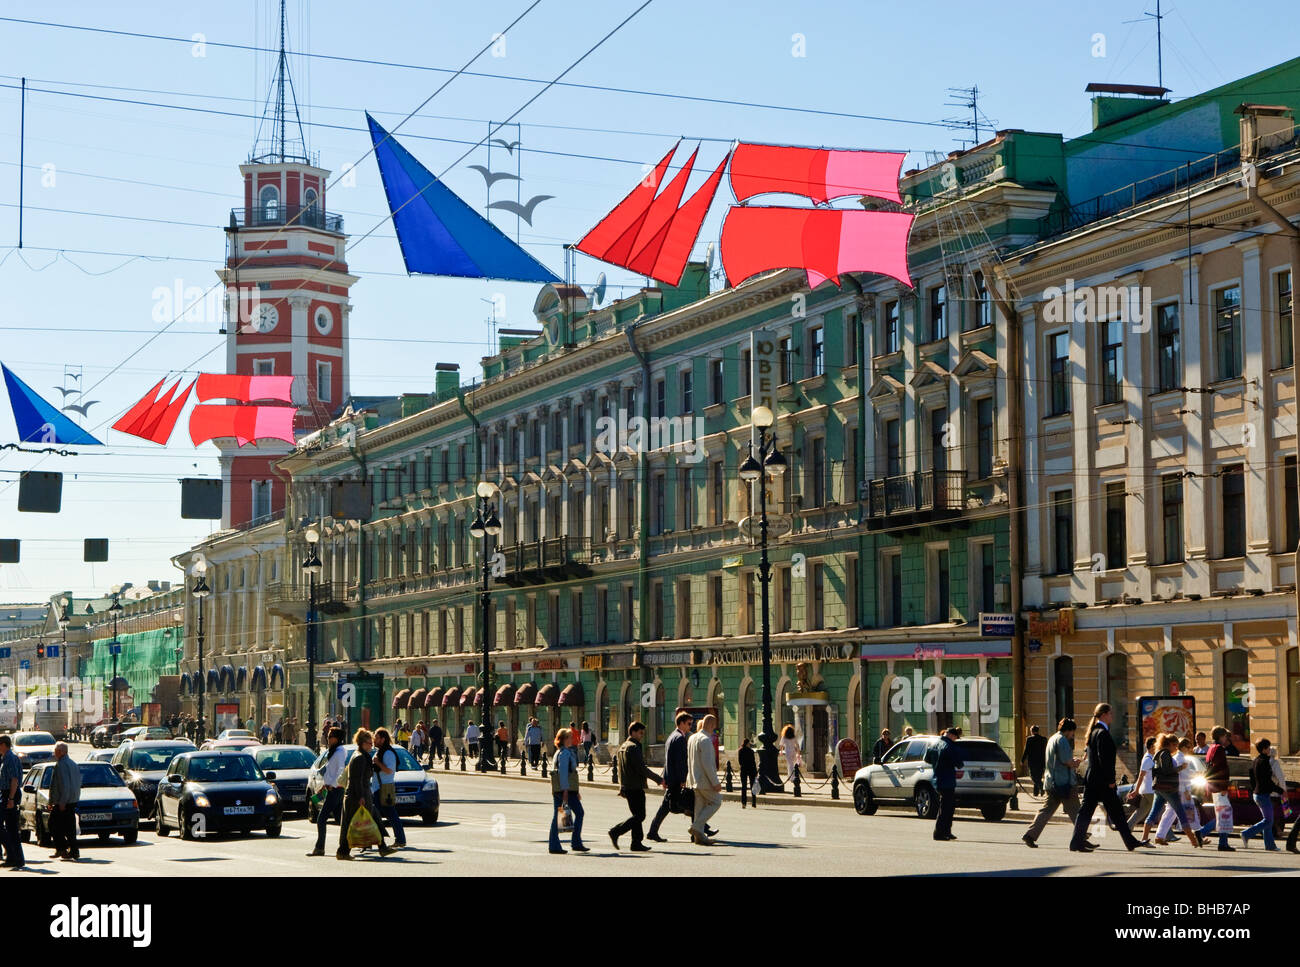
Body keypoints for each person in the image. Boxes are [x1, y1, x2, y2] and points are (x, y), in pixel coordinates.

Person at [1069, 704, 1148, 853]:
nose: (1112, 716)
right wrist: (1111, 780)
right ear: (1104, 714)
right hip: (1103, 782)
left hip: (1094, 780)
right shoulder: (1102, 733)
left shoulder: (1094, 731)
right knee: (1112, 812)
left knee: (1097, 811)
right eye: (1111, 713)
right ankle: (1129, 842)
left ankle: (1077, 842)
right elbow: (1104, 759)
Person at [1022, 718, 1085, 848]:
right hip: (1064, 782)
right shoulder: (1062, 740)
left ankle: (1030, 835)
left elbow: (1057, 759)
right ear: (1069, 730)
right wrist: (1076, 762)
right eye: (1073, 732)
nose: (1073, 735)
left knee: (1045, 811)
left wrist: (1071, 761)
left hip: (1051, 781)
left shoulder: (1052, 738)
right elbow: (1066, 761)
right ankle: (1081, 837)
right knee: (1076, 811)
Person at [337, 729, 392, 860]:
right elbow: (356, 779)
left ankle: (382, 846)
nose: (371, 745)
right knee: (350, 824)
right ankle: (343, 851)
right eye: (369, 743)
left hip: (361, 795)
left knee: (375, 819)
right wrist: (360, 797)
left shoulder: (361, 756)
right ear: (362, 743)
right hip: (356, 797)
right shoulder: (360, 758)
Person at [608, 721, 662, 851]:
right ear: (632, 732)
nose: (642, 735)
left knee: (636, 815)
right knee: (640, 816)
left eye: (643, 733)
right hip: (635, 786)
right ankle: (616, 831)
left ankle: (636, 842)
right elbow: (641, 769)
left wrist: (622, 786)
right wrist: (658, 779)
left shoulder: (623, 746)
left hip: (628, 786)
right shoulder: (633, 747)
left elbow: (621, 770)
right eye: (640, 733)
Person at [647, 711, 693, 842]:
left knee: (666, 807)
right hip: (676, 779)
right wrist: (683, 779)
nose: (690, 726)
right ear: (682, 723)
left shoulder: (672, 736)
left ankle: (652, 831)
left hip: (671, 777)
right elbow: (680, 762)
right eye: (689, 723)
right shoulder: (679, 739)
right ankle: (699, 829)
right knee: (688, 804)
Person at [1150, 733, 1197, 848]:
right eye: (1175, 745)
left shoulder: (1172, 756)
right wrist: (1185, 788)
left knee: (1169, 813)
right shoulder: (1175, 757)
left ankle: (1159, 836)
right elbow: (1175, 773)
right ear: (1171, 744)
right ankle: (1196, 837)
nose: (1176, 747)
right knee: (1183, 813)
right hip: (1175, 788)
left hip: (1172, 788)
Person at [307, 726, 347, 857]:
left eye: (330, 736)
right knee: (341, 820)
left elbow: (341, 771)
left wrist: (332, 785)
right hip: (331, 788)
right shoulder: (333, 751)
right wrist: (325, 785)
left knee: (321, 818)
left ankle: (320, 848)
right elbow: (330, 771)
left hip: (335, 789)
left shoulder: (340, 752)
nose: (328, 739)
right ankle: (354, 842)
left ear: (337, 738)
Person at [549, 728, 587, 854]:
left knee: (558, 815)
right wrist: (566, 790)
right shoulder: (565, 753)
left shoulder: (558, 752)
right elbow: (564, 773)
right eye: (570, 737)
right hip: (565, 790)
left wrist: (575, 791)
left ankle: (556, 845)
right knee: (579, 813)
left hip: (561, 789)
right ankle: (574, 842)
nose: (572, 739)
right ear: (564, 739)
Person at [1195, 726, 1235, 851]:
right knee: (1224, 813)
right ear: (1220, 736)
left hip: (1213, 785)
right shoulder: (1219, 749)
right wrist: (1224, 786)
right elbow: (1221, 769)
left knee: (1222, 813)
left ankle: (1202, 833)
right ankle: (1221, 842)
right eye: (1224, 736)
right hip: (1219, 786)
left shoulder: (1212, 748)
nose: (1225, 739)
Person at [688, 715, 723, 846]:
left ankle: (699, 837)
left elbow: (689, 760)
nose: (715, 729)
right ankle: (696, 827)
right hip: (705, 781)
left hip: (694, 779)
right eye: (714, 727)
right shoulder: (705, 740)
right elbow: (708, 764)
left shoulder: (692, 738)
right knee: (716, 801)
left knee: (699, 808)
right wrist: (716, 783)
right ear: (711, 725)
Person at [1241, 738, 1282, 851]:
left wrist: (1255, 789)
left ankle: (1270, 845)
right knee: (1268, 821)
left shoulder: (1255, 761)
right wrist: (1280, 790)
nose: (1270, 749)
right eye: (1268, 747)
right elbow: (1267, 781)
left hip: (1258, 793)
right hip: (1263, 794)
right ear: (1264, 749)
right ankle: (1246, 834)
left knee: (1267, 820)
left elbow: (1252, 778)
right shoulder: (1264, 762)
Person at [370, 727, 406, 849]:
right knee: (378, 814)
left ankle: (400, 839)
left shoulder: (388, 753)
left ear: (383, 739)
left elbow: (390, 770)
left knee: (391, 815)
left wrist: (378, 763)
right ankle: (377, 840)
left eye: (376, 737)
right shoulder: (379, 751)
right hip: (377, 787)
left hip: (384, 788)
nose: (374, 739)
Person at [48, 741, 81, 861]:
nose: (54, 753)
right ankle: (73, 851)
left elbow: (65, 785)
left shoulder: (61, 764)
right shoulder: (72, 763)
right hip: (72, 800)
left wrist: (61, 802)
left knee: (53, 824)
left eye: (56, 751)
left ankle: (62, 848)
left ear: (61, 752)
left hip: (64, 802)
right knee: (69, 828)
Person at [932, 727, 963, 842]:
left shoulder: (935, 744)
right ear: (951, 735)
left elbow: (927, 758)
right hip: (947, 780)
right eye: (955, 737)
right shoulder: (949, 746)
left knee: (946, 806)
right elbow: (959, 763)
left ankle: (946, 831)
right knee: (946, 808)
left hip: (937, 779)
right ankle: (939, 833)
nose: (955, 739)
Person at [0, 735, 25, 869]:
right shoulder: (4, 758)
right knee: (10, 828)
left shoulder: (10, 758)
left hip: (10, 794)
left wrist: (10, 799)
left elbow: (14, 780)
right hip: (5, 794)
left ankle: (16, 857)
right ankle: (13, 857)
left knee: (11, 828)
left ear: (4, 744)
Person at [1127, 736, 1160, 840]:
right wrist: (1136, 791)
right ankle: (1166, 834)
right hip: (1149, 790)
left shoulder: (1151, 758)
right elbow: (1141, 775)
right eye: (1156, 745)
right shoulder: (1147, 759)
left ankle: (1127, 827)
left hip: (1148, 790)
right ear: (1151, 747)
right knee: (1159, 811)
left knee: (1142, 811)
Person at [1020, 725, 1048, 797]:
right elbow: (1046, 751)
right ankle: (1036, 793)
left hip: (1032, 762)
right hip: (1042, 761)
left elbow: (1026, 751)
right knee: (1038, 777)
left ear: (1032, 731)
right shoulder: (1044, 739)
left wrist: (1022, 760)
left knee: (1033, 776)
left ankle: (1042, 787)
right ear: (1038, 731)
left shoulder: (1029, 739)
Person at [738, 737, 758, 807]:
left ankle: (744, 803)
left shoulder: (740, 751)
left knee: (744, 787)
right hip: (751, 770)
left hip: (743, 770)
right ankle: (754, 803)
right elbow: (753, 762)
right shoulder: (751, 751)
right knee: (753, 787)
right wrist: (755, 771)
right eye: (749, 743)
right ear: (747, 744)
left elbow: (740, 761)